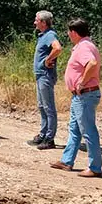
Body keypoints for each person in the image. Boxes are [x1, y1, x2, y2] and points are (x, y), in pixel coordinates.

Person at [50, 18, 102, 177]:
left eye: (68, 31)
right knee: (74, 129)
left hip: (85, 94)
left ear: (74, 32)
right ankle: (67, 161)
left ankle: (95, 167)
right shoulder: (86, 45)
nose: (67, 34)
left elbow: (92, 64)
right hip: (81, 96)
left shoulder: (84, 47)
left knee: (88, 131)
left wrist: (81, 83)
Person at [28, 10, 62, 150]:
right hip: (41, 75)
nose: (35, 22)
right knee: (42, 106)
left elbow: (58, 48)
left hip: (46, 75)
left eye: (36, 20)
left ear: (43, 22)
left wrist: (48, 60)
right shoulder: (43, 36)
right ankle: (43, 134)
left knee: (48, 108)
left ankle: (49, 138)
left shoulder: (50, 35)